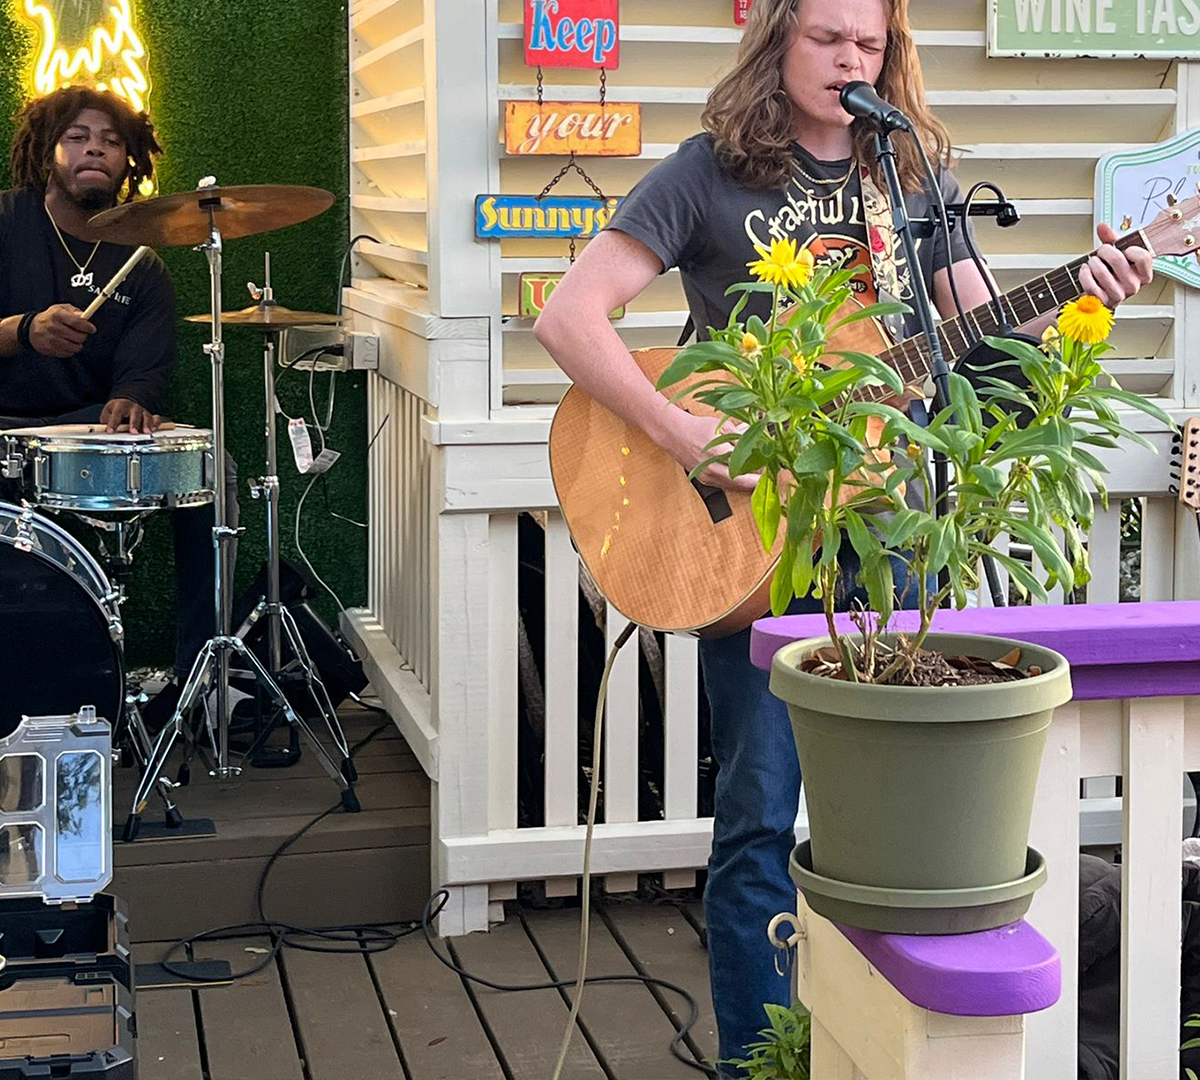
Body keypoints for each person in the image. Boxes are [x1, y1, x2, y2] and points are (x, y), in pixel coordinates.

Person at [533, 0, 1155, 1068]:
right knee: (760, 816)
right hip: (759, 536)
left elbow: (977, 342)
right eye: (828, 38)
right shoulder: (707, 174)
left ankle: (877, 1048)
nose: (850, 60)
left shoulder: (909, 178)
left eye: (870, 44)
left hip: (889, 531)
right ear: (777, 43)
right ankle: (758, 1060)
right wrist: (682, 430)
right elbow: (567, 316)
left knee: (903, 827)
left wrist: (1080, 298)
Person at [0, 86, 238, 727]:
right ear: (49, 149)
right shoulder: (5, 222)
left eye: (110, 140)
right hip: (5, 428)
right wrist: (24, 329)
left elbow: (144, 370)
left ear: (129, 159)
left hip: (86, 432)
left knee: (216, 472)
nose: (94, 148)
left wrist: (131, 402)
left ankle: (195, 686)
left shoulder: (142, 262)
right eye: (78, 136)